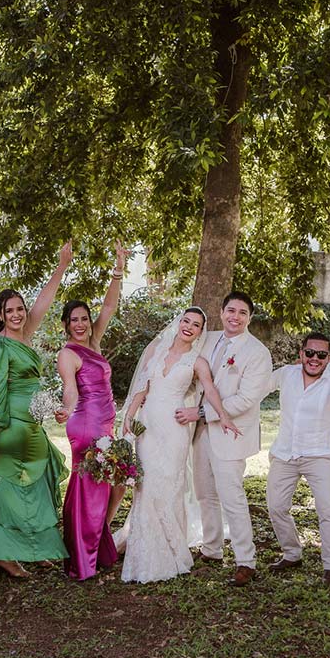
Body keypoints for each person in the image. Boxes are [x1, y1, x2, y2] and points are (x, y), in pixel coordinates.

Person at [0, 241, 72, 578]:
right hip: (10, 423)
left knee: (35, 482)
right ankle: (1, 554)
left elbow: (45, 301)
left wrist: (61, 266)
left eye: (19, 309)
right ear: (0, 315)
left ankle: (35, 546)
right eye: (9, 310)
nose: (16, 314)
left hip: (33, 424)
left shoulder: (26, 334)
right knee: (4, 487)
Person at [118, 309, 241, 583]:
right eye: (186, 321)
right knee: (146, 485)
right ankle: (145, 552)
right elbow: (142, 387)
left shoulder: (197, 362)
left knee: (169, 485)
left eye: (196, 325)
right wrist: (128, 416)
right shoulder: (156, 351)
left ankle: (172, 551)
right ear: (178, 323)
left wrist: (224, 416)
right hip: (148, 426)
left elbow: (209, 391)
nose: (189, 327)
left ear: (199, 332)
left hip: (174, 430)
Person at [176, 292, 273, 585]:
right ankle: (212, 548)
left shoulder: (257, 353)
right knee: (205, 492)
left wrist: (201, 412)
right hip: (201, 432)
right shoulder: (208, 338)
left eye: (243, 313)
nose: (235, 317)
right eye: (231, 310)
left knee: (232, 497)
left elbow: (246, 399)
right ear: (220, 311)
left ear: (250, 318)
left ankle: (246, 561)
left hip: (230, 433)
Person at [263, 333, 330, 584]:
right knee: (276, 507)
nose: (314, 359)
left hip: (318, 455)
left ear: (329, 358)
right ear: (301, 353)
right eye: (310, 353)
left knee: (328, 509)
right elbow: (259, 385)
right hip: (285, 453)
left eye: (321, 355)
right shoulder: (286, 374)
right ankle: (292, 553)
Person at [56, 243, 128, 580]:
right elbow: (71, 389)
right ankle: (82, 558)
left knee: (111, 483)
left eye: (85, 318)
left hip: (106, 423)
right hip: (85, 423)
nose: (82, 323)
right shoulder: (68, 353)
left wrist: (119, 266)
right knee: (91, 487)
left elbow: (110, 304)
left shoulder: (95, 341)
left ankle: (96, 546)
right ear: (67, 325)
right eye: (75, 320)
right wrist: (64, 409)